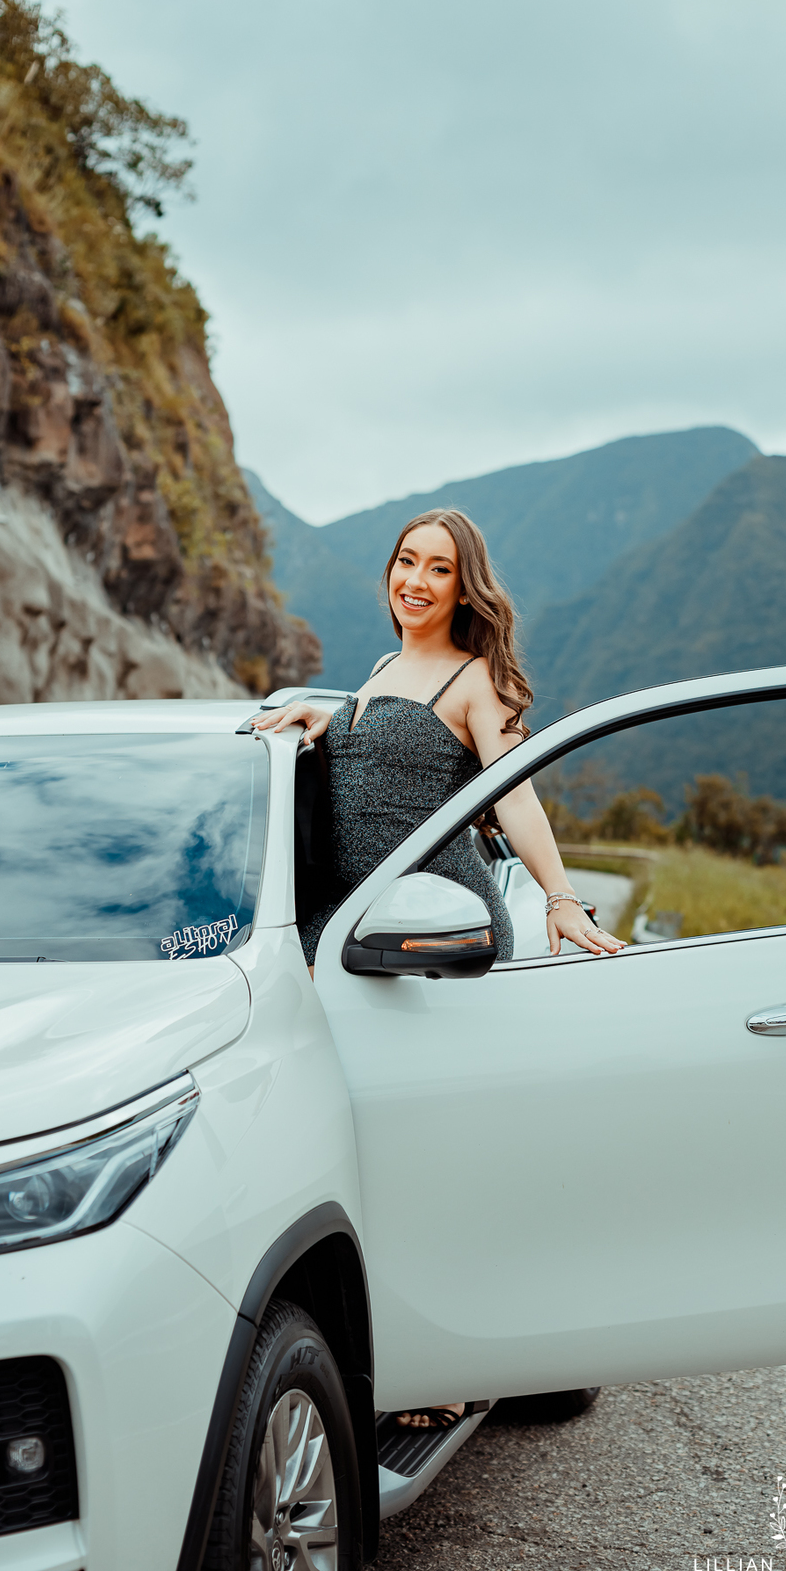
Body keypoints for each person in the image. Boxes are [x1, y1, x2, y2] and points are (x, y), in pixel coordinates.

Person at [254, 508, 624, 1429]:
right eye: (407, 562)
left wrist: (561, 898)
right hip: (345, 941)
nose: (416, 580)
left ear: (467, 587)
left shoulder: (477, 680)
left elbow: (519, 792)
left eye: (439, 569)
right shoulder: (380, 672)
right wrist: (325, 714)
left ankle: (446, 1359)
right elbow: (371, 750)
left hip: (431, 936)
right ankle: (383, 1342)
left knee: (415, 1152)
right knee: (349, 1153)